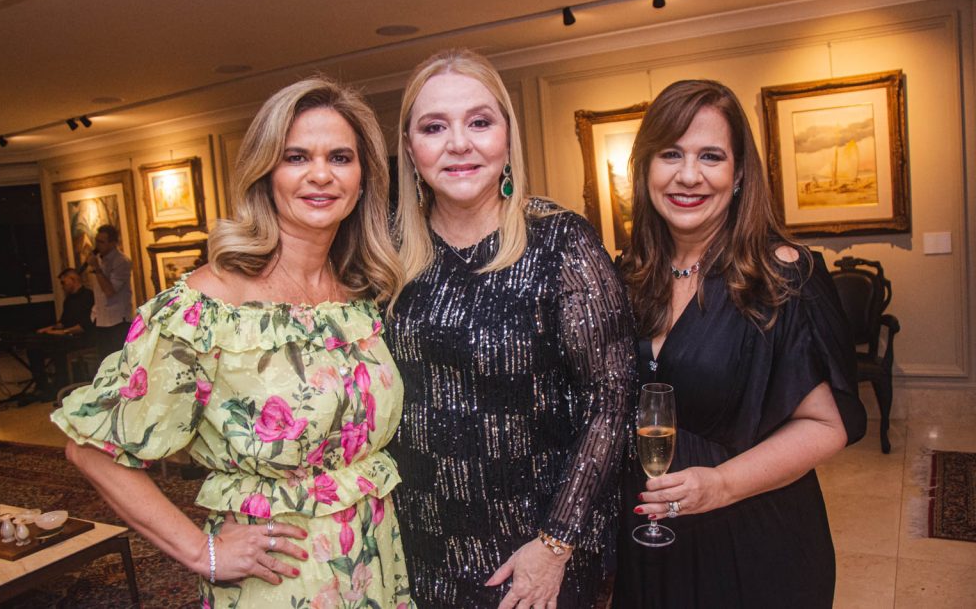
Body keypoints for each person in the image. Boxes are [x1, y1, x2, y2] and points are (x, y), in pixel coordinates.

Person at [52, 77, 415, 607]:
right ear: (265, 174)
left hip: (373, 562)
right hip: (277, 581)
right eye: (295, 157)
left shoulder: (361, 295)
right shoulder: (207, 306)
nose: (320, 174)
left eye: (340, 157)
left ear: (363, 179)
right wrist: (203, 553)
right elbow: (92, 449)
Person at [386, 48, 635, 608]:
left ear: (507, 134)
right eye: (433, 127)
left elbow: (612, 398)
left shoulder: (561, 242)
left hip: (535, 549)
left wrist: (554, 544)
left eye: (479, 121)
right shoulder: (387, 252)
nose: (459, 143)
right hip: (420, 549)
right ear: (410, 147)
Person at [612, 79, 867, 607]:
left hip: (753, 539)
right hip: (651, 541)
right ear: (645, 170)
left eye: (711, 156)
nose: (688, 175)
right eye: (670, 154)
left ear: (740, 173)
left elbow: (827, 425)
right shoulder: (628, 274)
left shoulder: (782, 276)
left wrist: (721, 485)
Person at [23, 268, 94, 402]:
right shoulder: (68, 300)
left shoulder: (88, 296)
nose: (62, 286)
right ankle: (43, 386)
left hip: (82, 338)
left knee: (58, 349)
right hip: (66, 337)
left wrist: (62, 332)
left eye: (63, 282)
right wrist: (48, 329)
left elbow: (85, 326)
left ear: (73, 280)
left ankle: (62, 386)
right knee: (34, 349)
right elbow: (63, 322)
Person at [87, 224, 134, 364]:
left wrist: (96, 269)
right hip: (101, 318)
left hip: (117, 320)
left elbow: (110, 291)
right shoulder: (100, 259)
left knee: (118, 362)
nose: (98, 245)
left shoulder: (121, 261)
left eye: (102, 242)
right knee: (104, 362)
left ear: (113, 243)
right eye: (97, 241)